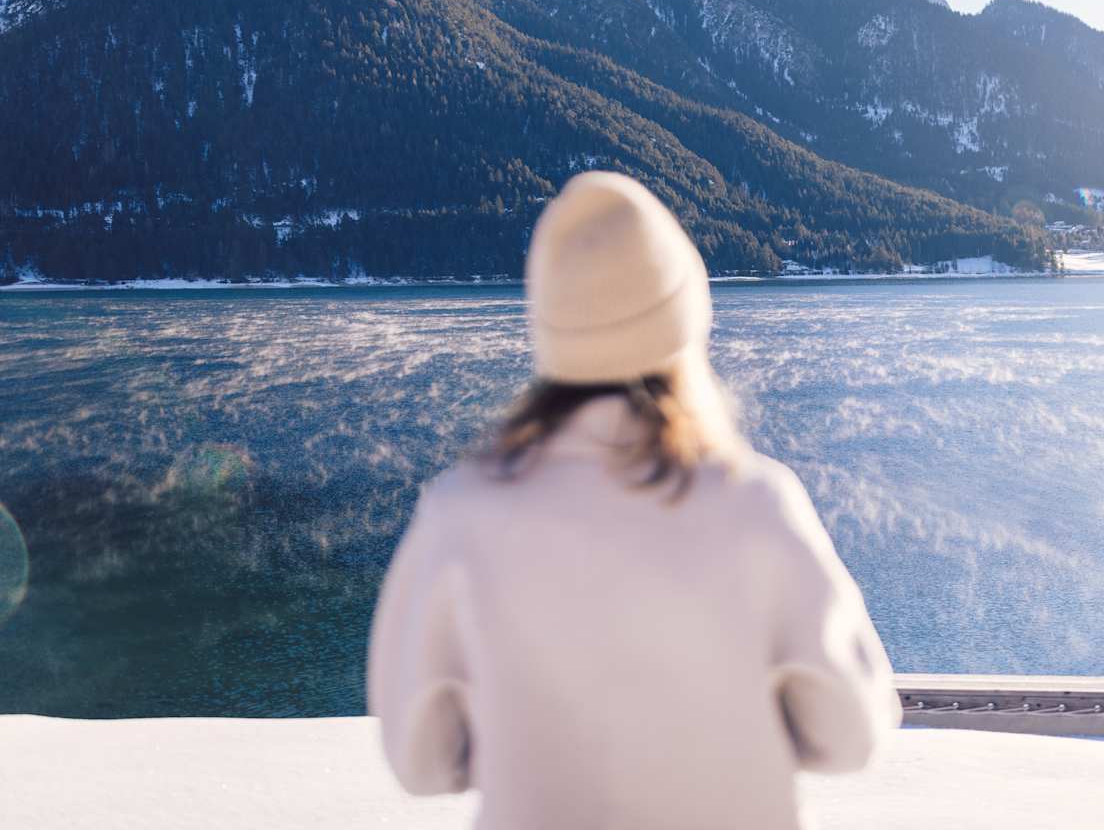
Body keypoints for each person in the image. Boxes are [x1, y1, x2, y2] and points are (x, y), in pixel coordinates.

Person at [368, 171, 899, 829]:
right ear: (684, 327)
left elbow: (418, 762)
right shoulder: (754, 504)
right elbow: (852, 736)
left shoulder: (461, 514)